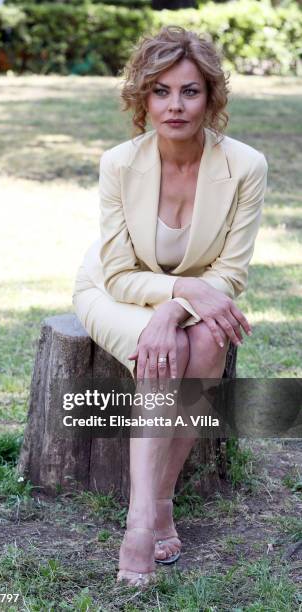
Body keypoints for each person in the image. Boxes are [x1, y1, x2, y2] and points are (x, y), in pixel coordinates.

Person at [72, 26, 268, 586]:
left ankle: (158, 502)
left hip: (186, 300)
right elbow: (117, 274)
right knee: (172, 350)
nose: (175, 105)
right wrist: (179, 295)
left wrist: (175, 308)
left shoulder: (245, 167)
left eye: (189, 91)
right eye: (160, 91)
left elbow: (229, 274)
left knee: (205, 340)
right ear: (143, 97)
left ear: (211, 97)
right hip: (113, 291)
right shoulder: (119, 163)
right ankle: (141, 523)